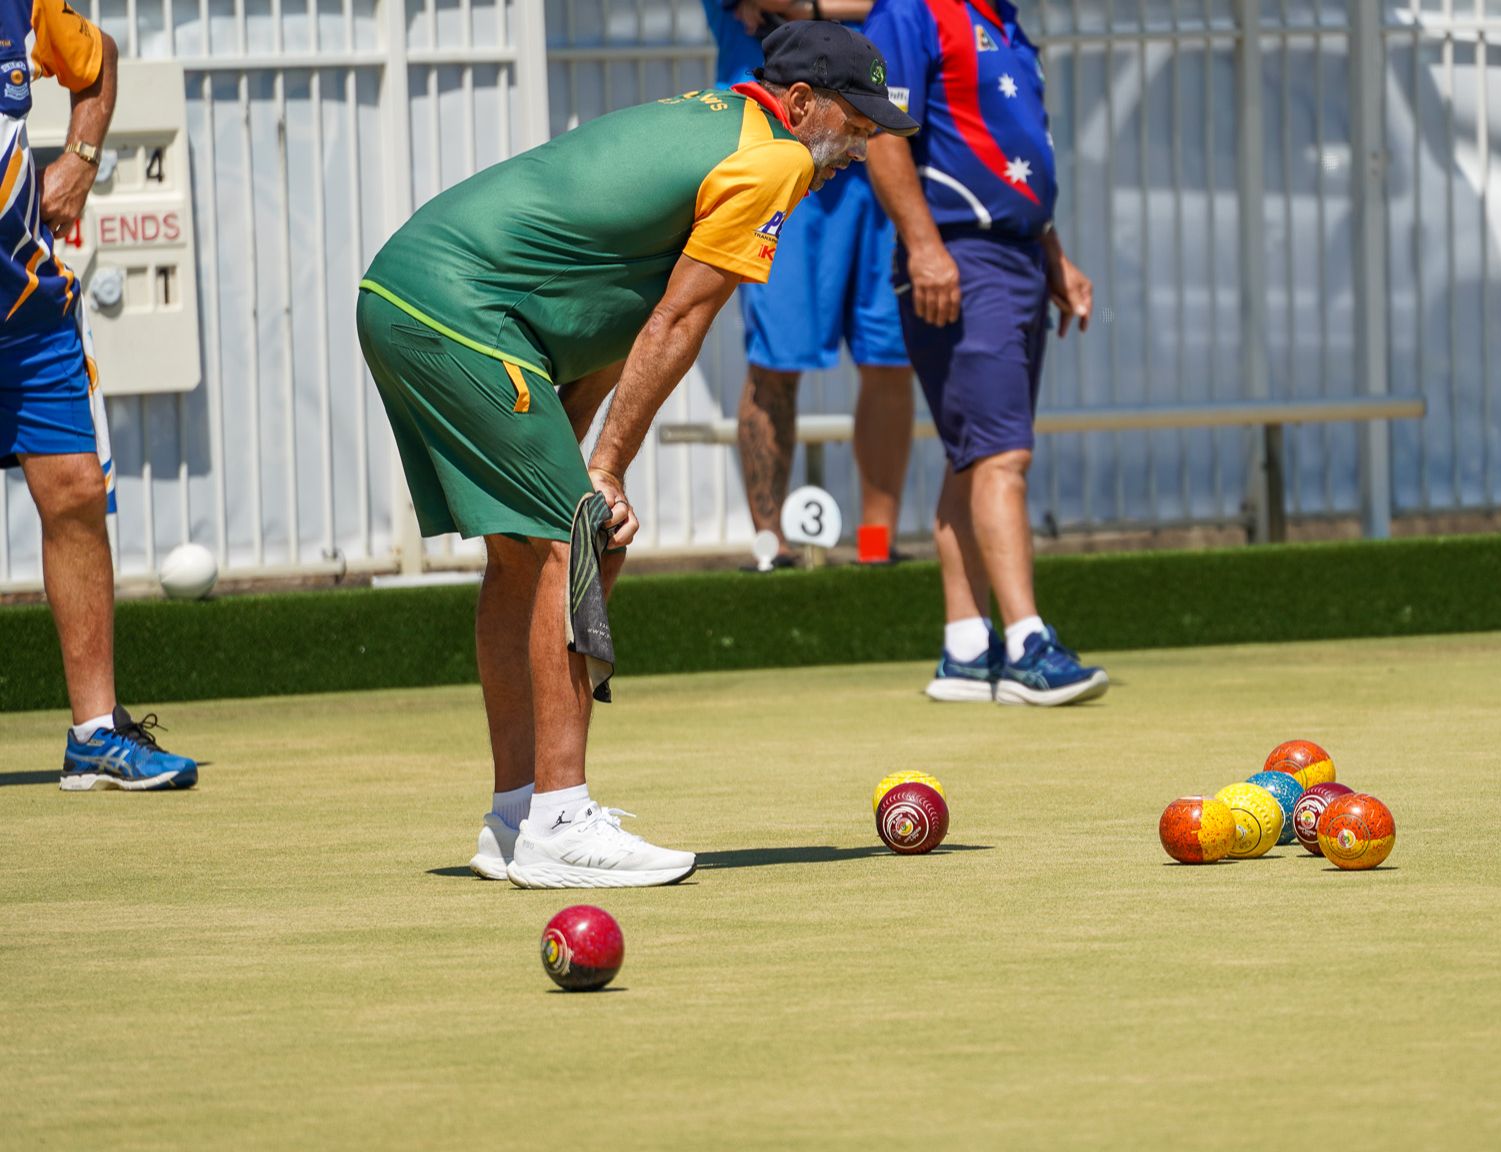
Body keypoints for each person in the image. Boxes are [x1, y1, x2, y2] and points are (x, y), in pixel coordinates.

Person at [356, 22, 916, 888]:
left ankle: (515, 819)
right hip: (460, 312)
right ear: (800, 103)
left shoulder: (716, 125)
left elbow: (609, 323)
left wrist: (586, 458)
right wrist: (604, 475)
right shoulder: (776, 161)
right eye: (856, 120)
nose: (865, 142)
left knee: (524, 556)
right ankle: (561, 822)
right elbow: (678, 324)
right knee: (573, 541)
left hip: (413, 296)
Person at [862, 0, 1106, 706]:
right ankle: (1029, 641)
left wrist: (1054, 256)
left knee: (975, 451)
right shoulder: (912, 13)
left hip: (1017, 254)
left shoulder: (1006, 23)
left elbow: (1014, 155)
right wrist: (925, 246)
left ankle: (967, 649)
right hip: (960, 254)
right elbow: (882, 133)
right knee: (1001, 454)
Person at [3, 0, 199, 788]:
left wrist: (81, 158)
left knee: (78, 492)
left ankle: (94, 734)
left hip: (24, 306)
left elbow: (99, 59)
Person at [705, 0, 915, 567]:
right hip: (785, 140)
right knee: (776, 357)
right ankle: (772, 549)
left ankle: (876, 548)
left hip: (878, 141)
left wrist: (806, 7)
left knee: (891, 356)